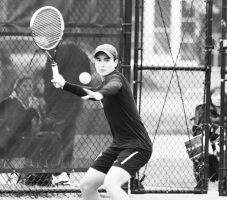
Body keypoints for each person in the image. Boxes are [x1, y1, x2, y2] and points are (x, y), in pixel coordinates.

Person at [51, 44, 153, 200]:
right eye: (98, 60)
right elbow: (92, 93)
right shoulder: (103, 84)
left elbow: (112, 88)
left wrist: (100, 94)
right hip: (119, 145)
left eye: (107, 59)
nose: (102, 63)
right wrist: (64, 84)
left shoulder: (116, 79)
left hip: (137, 145)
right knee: (87, 186)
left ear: (115, 62)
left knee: (111, 184)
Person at [42, 43, 91, 185]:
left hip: (66, 104)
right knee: (58, 137)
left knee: (60, 137)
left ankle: (59, 174)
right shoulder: (54, 55)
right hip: (65, 104)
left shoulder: (78, 54)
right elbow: (48, 80)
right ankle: (57, 174)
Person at [0, 76, 41, 159]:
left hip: (28, 136)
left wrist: (39, 111)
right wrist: (32, 109)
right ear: (17, 88)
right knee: (36, 142)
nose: (28, 89)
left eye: (30, 86)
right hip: (11, 140)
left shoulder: (33, 102)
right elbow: (19, 125)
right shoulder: (10, 102)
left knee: (53, 136)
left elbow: (39, 121)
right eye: (24, 86)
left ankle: (53, 166)